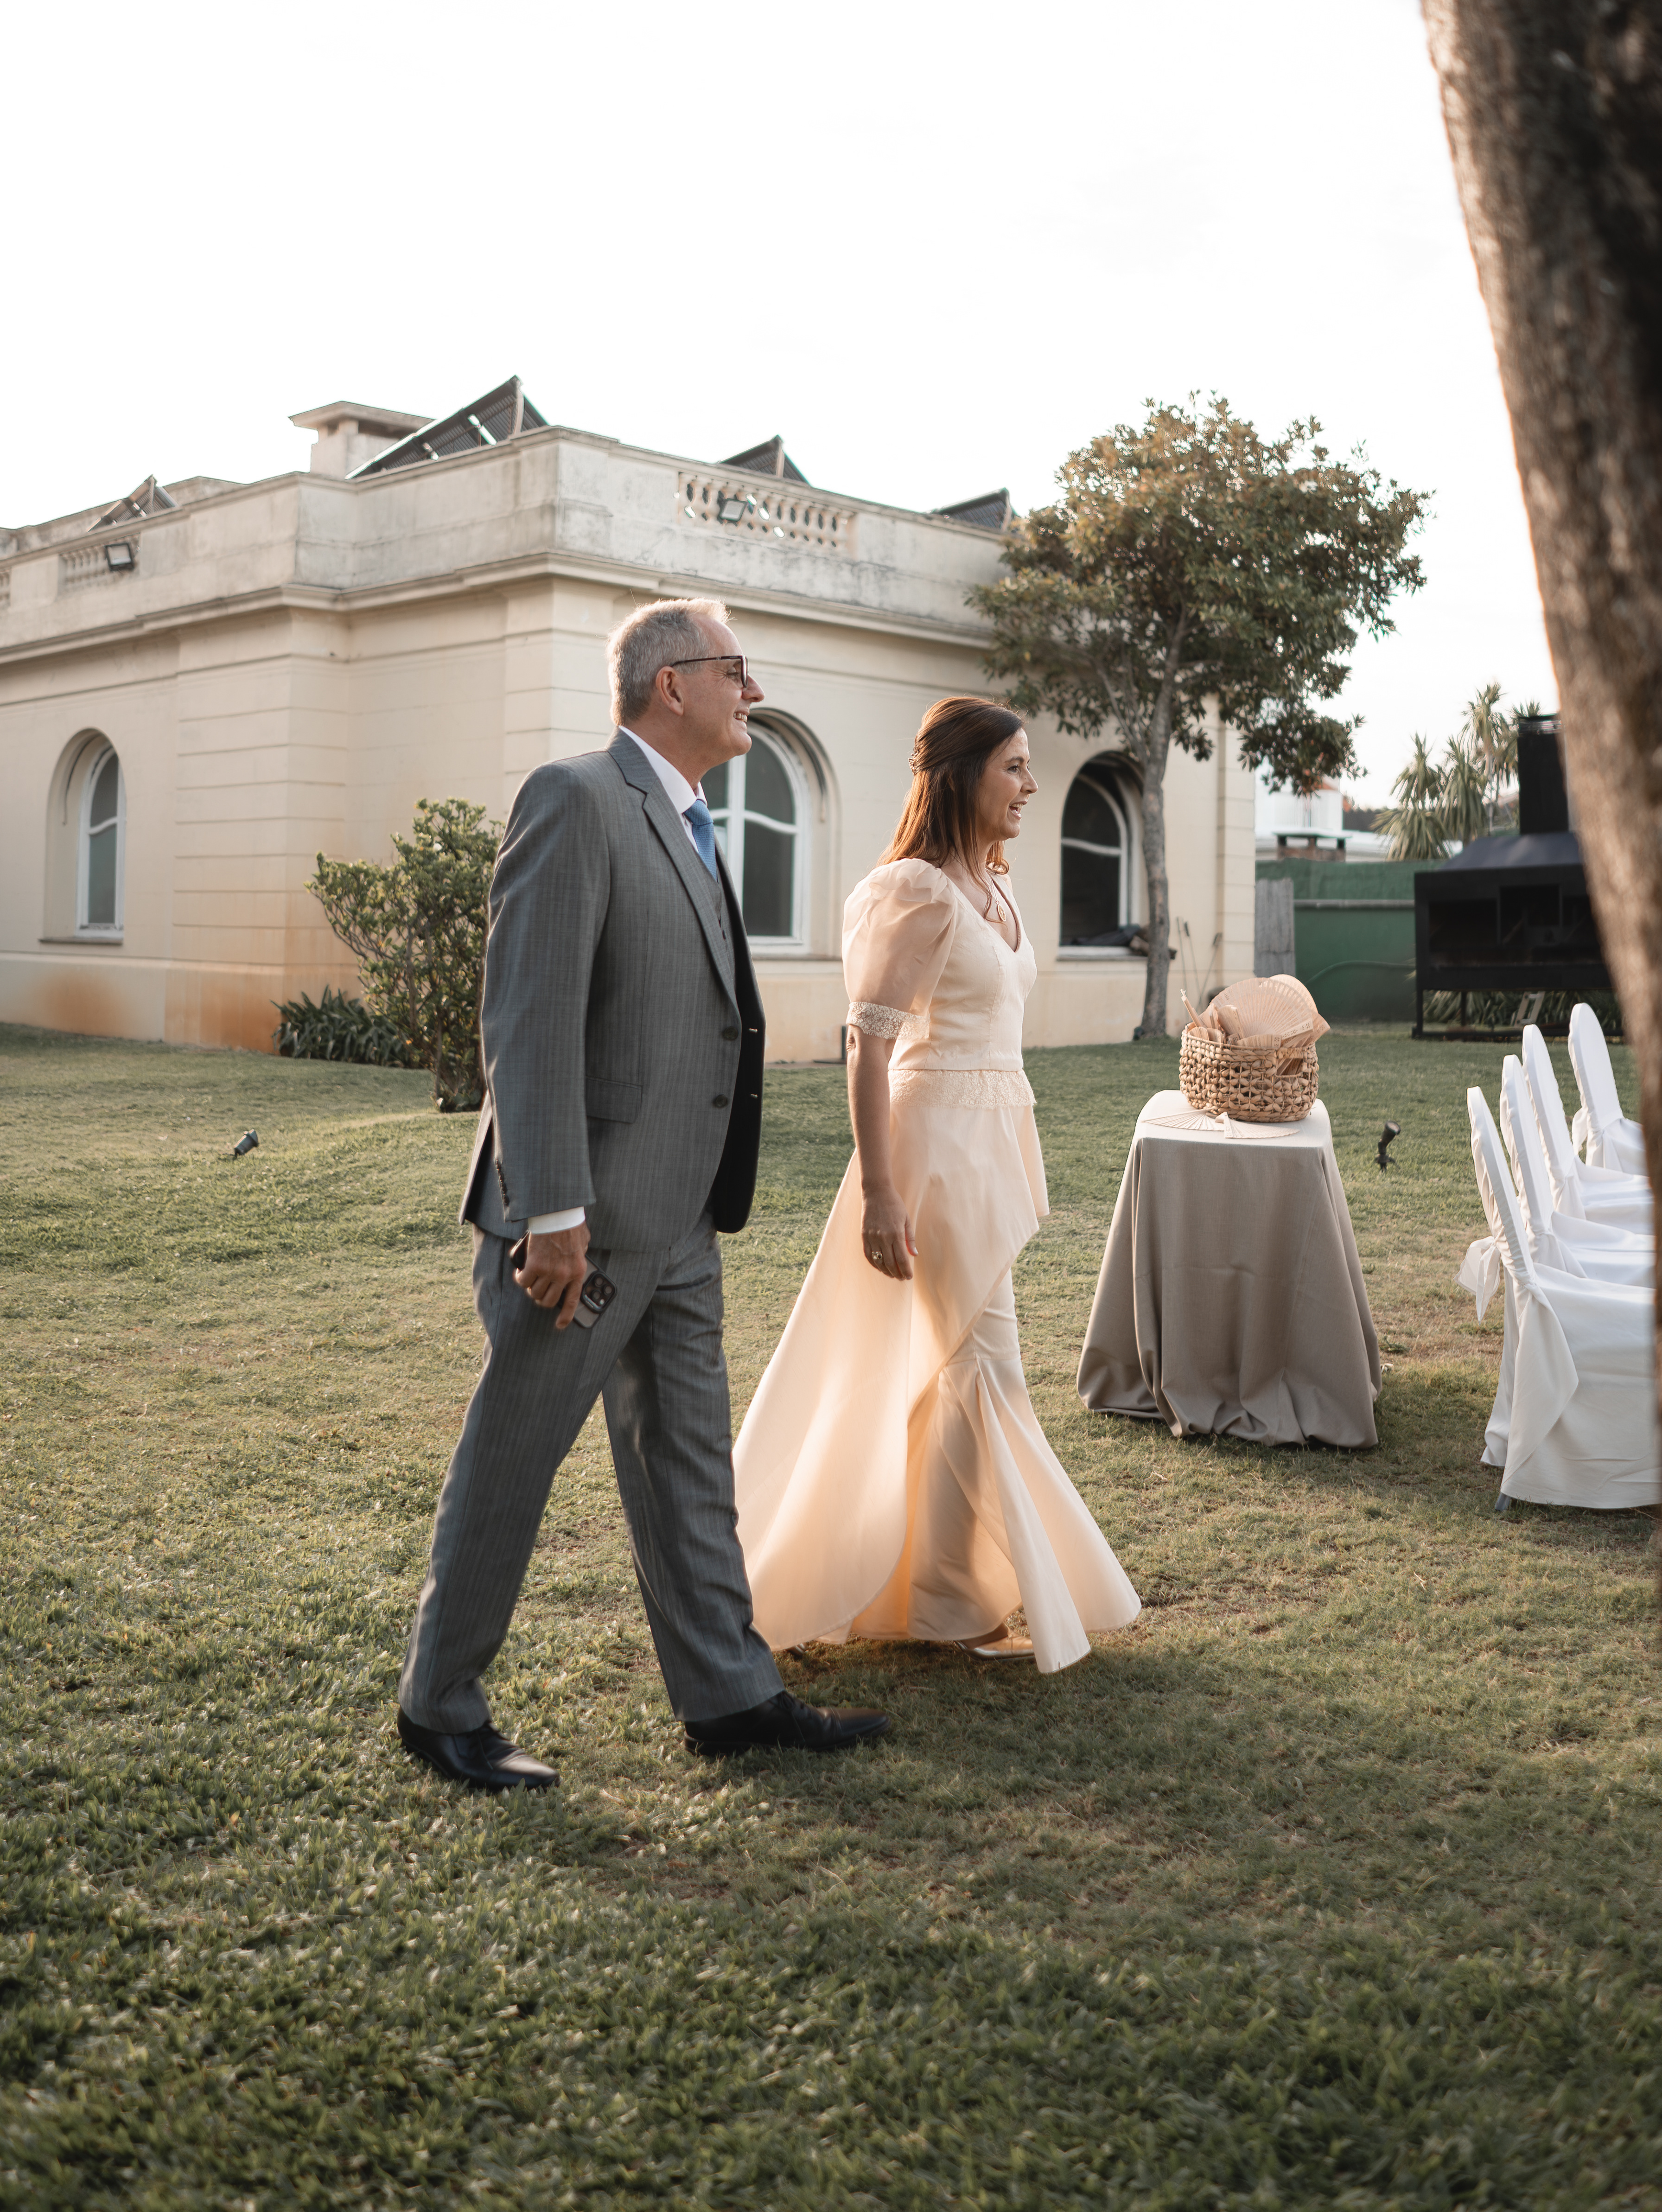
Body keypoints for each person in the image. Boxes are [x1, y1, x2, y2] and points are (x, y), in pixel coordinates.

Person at [396, 597, 890, 1787]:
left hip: (680, 1221)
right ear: (672, 685)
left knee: (689, 1464)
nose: (752, 691)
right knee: (513, 1460)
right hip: (581, 1227)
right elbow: (527, 1017)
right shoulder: (577, 799)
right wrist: (552, 1210)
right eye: (737, 670)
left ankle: (727, 1696)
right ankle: (438, 1704)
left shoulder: (690, 819)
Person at [732, 697, 1140, 1671]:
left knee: (950, 1376)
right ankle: (956, 1598)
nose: (1031, 787)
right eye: (1014, 767)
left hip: (992, 1143)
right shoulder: (911, 889)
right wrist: (880, 1192)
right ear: (960, 775)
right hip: (930, 1154)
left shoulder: (991, 884)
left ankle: (929, 1591)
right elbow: (866, 1047)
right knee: (980, 1368)